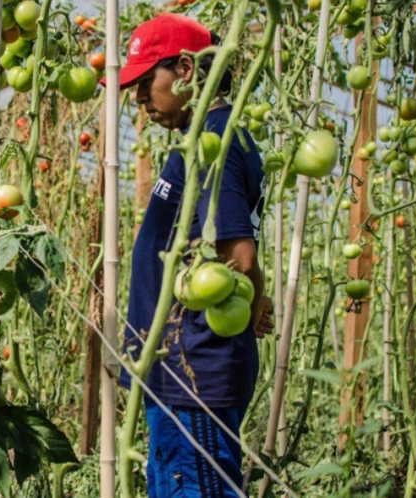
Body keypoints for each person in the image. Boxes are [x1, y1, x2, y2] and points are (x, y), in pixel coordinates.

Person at [103, 13, 275, 498]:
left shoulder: (212, 141)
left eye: (143, 83)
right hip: (179, 371)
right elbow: (234, 247)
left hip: (192, 372)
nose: (138, 100)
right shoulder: (207, 136)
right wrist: (256, 297)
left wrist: (242, 290)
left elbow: (236, 254)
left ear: (184, 69)